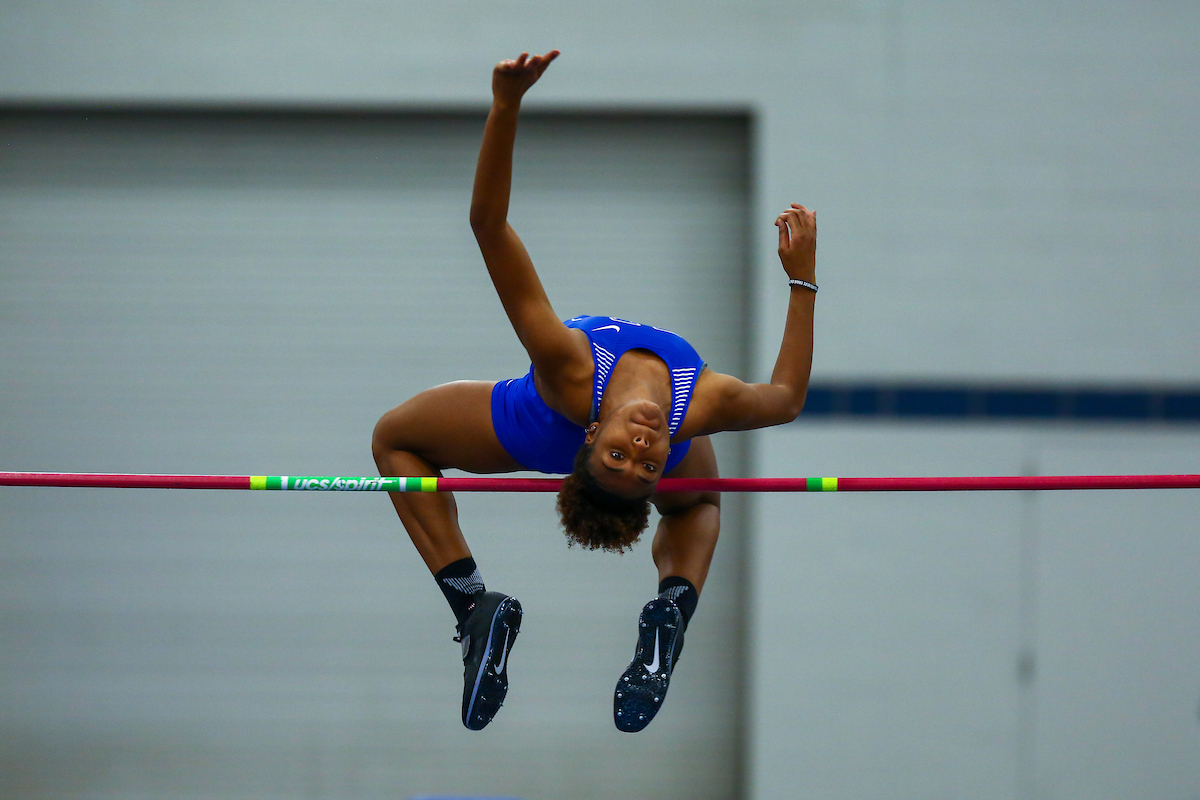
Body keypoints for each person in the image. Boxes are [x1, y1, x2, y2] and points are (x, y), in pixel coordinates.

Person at [372, 50, 817, 733]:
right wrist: (802, 280)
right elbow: (784, 399)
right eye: (646, 464)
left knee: (393, 438)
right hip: (608, 430)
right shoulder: (693, 411)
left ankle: (473, 606)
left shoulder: (568, 368)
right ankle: (673, 607)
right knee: (697, 503)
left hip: (532, 423)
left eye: (623, 458)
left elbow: (488, 227)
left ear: (593, 441)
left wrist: (505, 105)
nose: (641, 448)